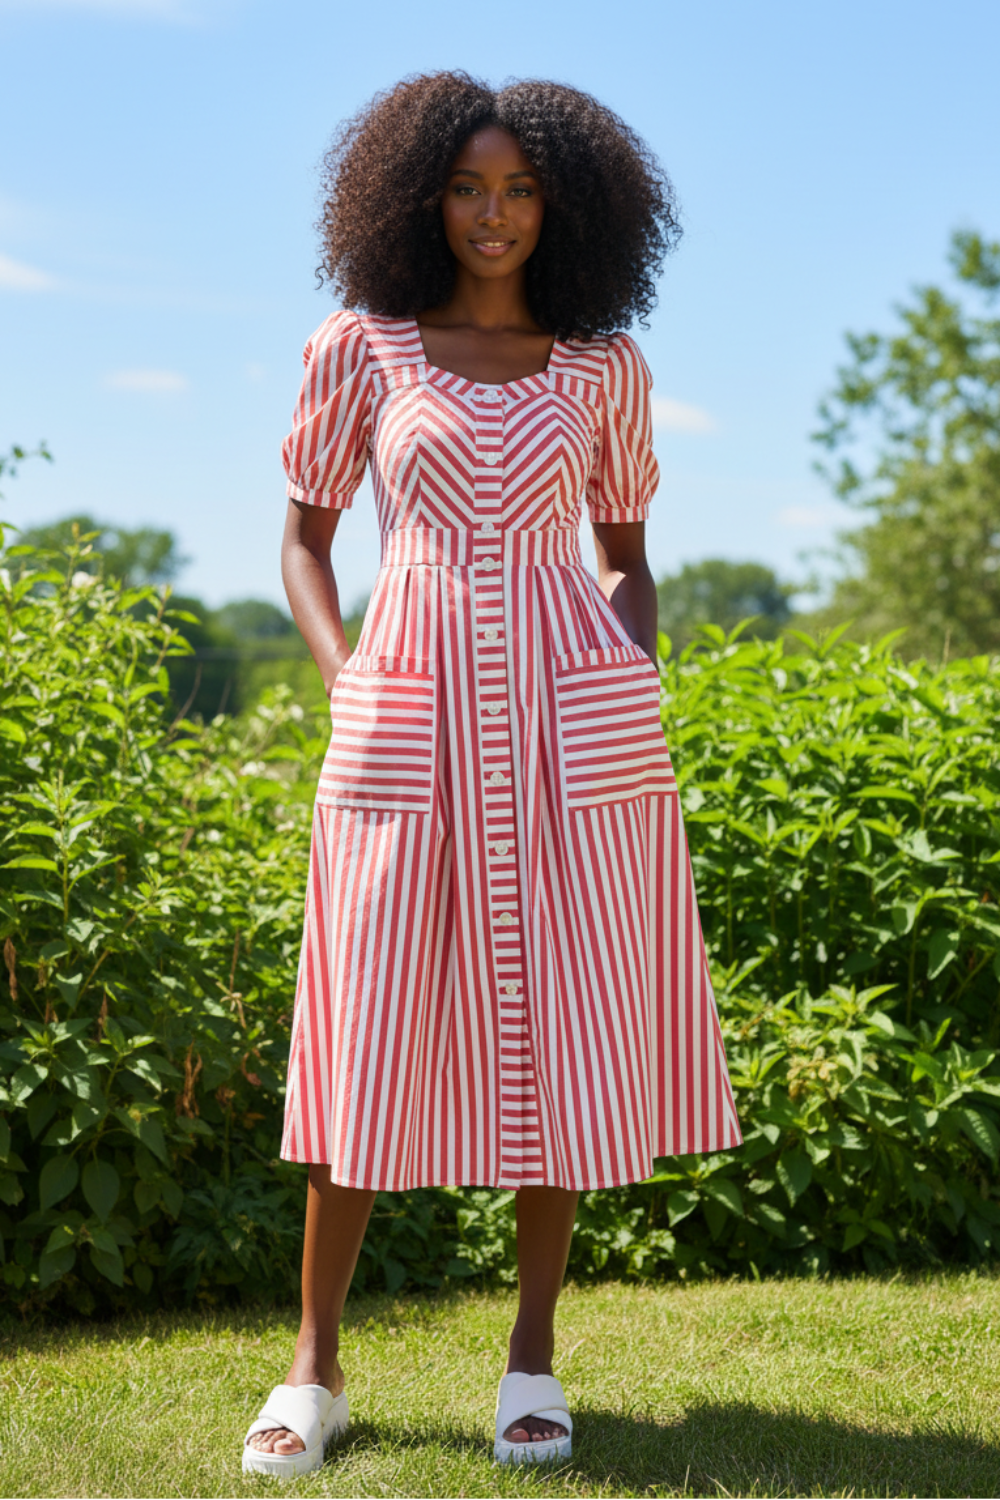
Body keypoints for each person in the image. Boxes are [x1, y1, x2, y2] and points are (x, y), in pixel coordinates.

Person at [243, 71, 741, 1480]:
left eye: (521, 190)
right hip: (402, 710)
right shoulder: (365, 348)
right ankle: (316, 1368)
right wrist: (350, 681)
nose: (494, 214)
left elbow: (628, 562)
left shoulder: (604, 370)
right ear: (420, 197)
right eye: (469, 186)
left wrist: (625, 681)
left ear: (562, 207)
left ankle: (532, 1359)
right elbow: (302, 539)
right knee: (366, 1025)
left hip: (575, 730)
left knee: (570, 1027)